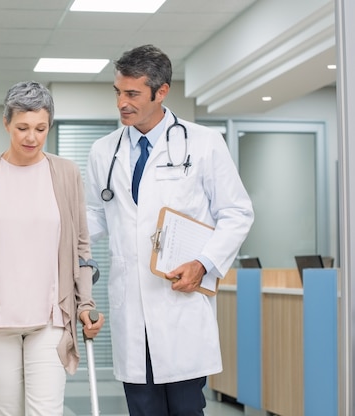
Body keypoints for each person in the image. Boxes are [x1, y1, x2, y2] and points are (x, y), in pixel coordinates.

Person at [85, 45, 254, 415]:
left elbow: (237, 212)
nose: (121, 103)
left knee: (185, 409)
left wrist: (205, 262)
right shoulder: (103, 151)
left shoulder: (203, 143)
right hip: (131, 303)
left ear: (161, 92)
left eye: (132, 94)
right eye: (118, 92)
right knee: (142, 409)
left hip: (180, 299)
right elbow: (95, 216)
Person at [0, 80, 104, 416]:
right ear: (6, 123)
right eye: (22, 127)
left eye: (40, 128)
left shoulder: (65, 173)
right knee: (7, 412)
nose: (31, 137)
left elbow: (81, 248)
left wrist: (85, 303)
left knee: (46, 411)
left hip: (50, 319)